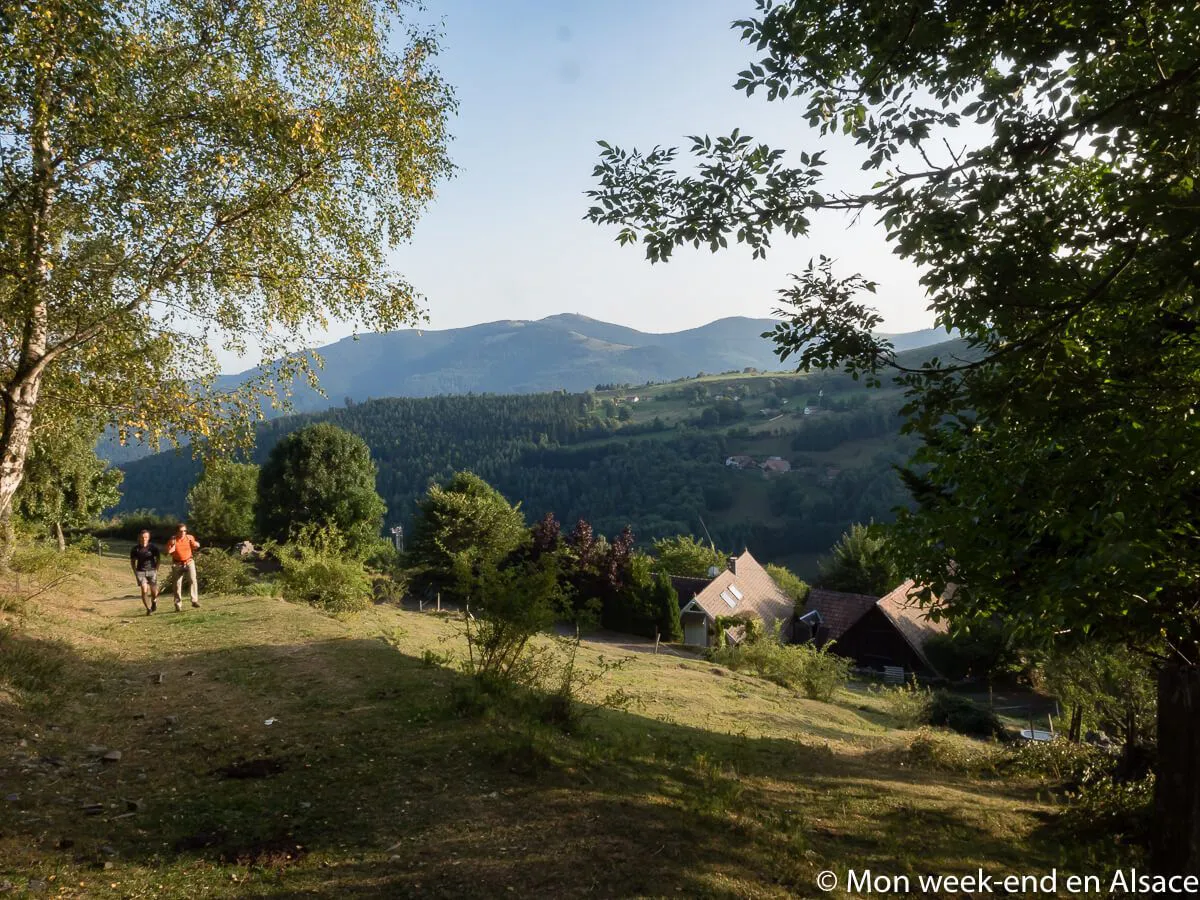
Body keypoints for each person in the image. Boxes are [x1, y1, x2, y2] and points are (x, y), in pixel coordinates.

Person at [166, 523, 201, 612]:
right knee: (177, 585)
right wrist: (170, 549)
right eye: (181, 531)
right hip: (177, 564)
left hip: (189, 561)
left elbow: (195, 546)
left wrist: (197, 544)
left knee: (193, 580)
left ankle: (194, 601)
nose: (183, 533)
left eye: (185, 531)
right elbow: (166, 552)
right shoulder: (173, 540)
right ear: (177, 532)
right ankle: (178, 605)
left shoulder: (189, 538)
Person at [130, 529, 161, 615]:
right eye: (142, 537)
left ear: (149, 538)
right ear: (139, 538)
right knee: (144, 590)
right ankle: (148, 609)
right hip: (141, 572)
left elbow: (158, 559)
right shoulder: (135, 549)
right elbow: (133, 562)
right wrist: (135, 572)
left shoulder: (153, 548)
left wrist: (156, 570)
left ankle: (154, 601)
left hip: (152, 571)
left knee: (154, 591)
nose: (144, 539)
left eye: (146, 537)